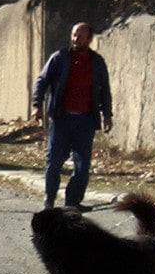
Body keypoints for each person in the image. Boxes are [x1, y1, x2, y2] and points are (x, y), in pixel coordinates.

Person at [32, 22, 112, 209]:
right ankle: (49, 200)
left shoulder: (97, 62)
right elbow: (42, 80)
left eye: (81, 36)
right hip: (61, 118)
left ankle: (72, 203)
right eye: (74, 35)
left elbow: (104, 90)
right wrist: (37, 105)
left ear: (89, 39)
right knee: (54, 161)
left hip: (85, 120)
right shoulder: (60, 58)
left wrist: (107, 115)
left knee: (82, 165)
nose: (76, 39)